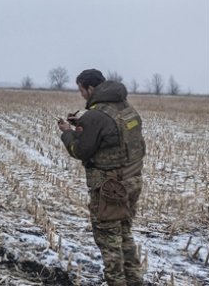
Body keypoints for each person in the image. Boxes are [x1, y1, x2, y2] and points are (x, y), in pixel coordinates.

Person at [57, 69, 145, 286]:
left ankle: (116, 282)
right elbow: (111, 137)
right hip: (131, 182)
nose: (82, 95)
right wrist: (83, 125)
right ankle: (135, 281)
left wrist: (67, 132)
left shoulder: (96, 115)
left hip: (109, 189)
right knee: (124, 234)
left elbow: (80, 151)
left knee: (108, 240)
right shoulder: (125, 109)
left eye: (82, 90)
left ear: (91, 88)